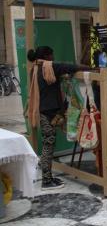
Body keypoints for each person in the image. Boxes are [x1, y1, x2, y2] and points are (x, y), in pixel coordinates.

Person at [26, 46, 90, 190]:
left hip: (42, 111)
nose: (53, 58)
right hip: (48, 112)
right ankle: (46, 181)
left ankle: (47, 176)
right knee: (48, 144)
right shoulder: (49, 67)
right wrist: (91, 68)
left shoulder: (35, 69)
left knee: (48, 143)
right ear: (47, 56)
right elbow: (70, 66)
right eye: (52, 55)